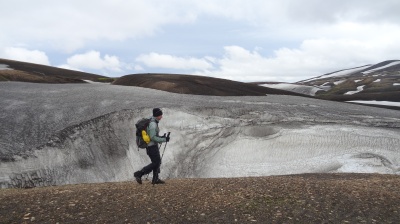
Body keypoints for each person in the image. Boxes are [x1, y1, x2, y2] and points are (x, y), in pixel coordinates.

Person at [134, 108, 170, 185]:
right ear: (157, 116)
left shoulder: (151, 120)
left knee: (157, 162)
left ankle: (155, 178)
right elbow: (153, 137)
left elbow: (153, 135)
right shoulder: (153, 124)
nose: (162, 117)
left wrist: (161, 137)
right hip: (151, 146)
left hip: (151, 146)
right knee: (156, 162)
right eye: (160, 115)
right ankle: (139, 174)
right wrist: (164, 139)